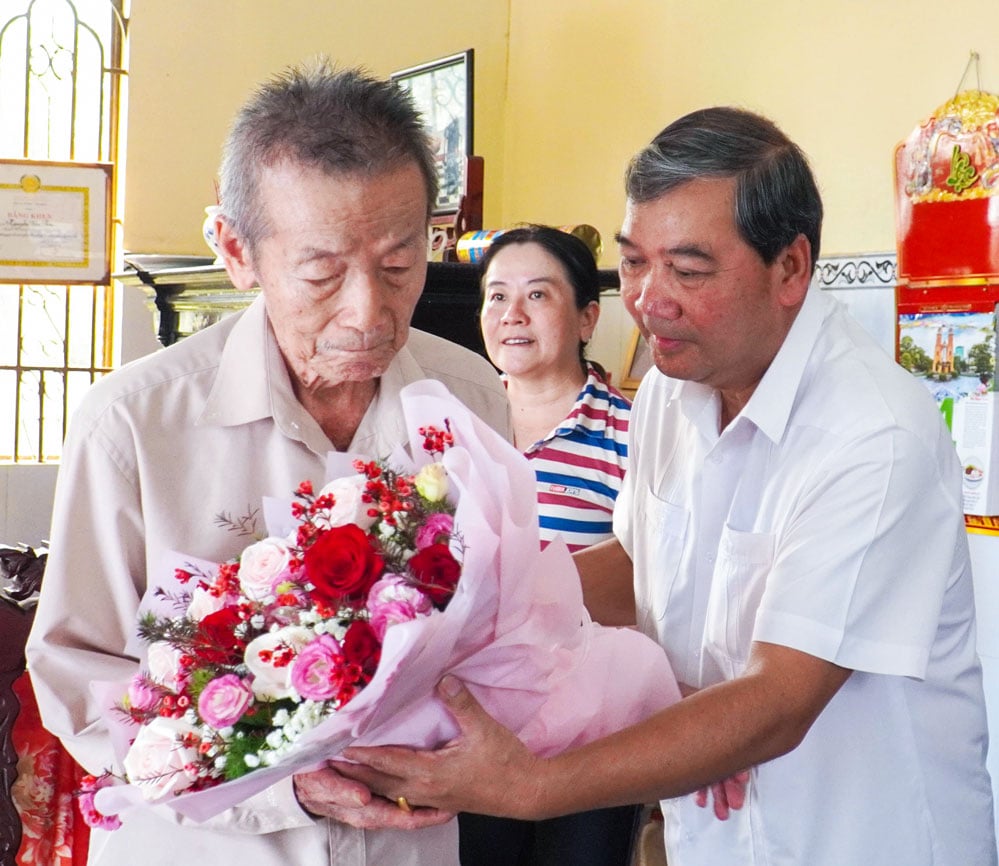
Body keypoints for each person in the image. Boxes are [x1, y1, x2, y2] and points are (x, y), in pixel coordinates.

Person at [338, 107, 998, 866]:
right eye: (635, 263)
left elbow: (777, 702)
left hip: (855, 837)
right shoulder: (669, 392)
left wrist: (530, 786)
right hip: (711, 835)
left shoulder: (873, 435)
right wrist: (452, 619)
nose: (649, 300)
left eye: (687, 270)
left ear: (790, 267)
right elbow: (639, 564)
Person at [25, 60, 510, 866]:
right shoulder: (138, 424)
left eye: (399, 264)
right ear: (235, 249)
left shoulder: (470, 398)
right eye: (321, 272)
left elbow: (499, 624)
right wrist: (282, 785)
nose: (368, 311)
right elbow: (80, 676)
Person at [460, 225, 636, 865]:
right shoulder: (454, 429)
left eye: (538, 295)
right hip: (467, 724)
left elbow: (655, 581)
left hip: (589, 732)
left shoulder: (629, 435)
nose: (511, 315)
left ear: (588, 317)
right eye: (496, 296)